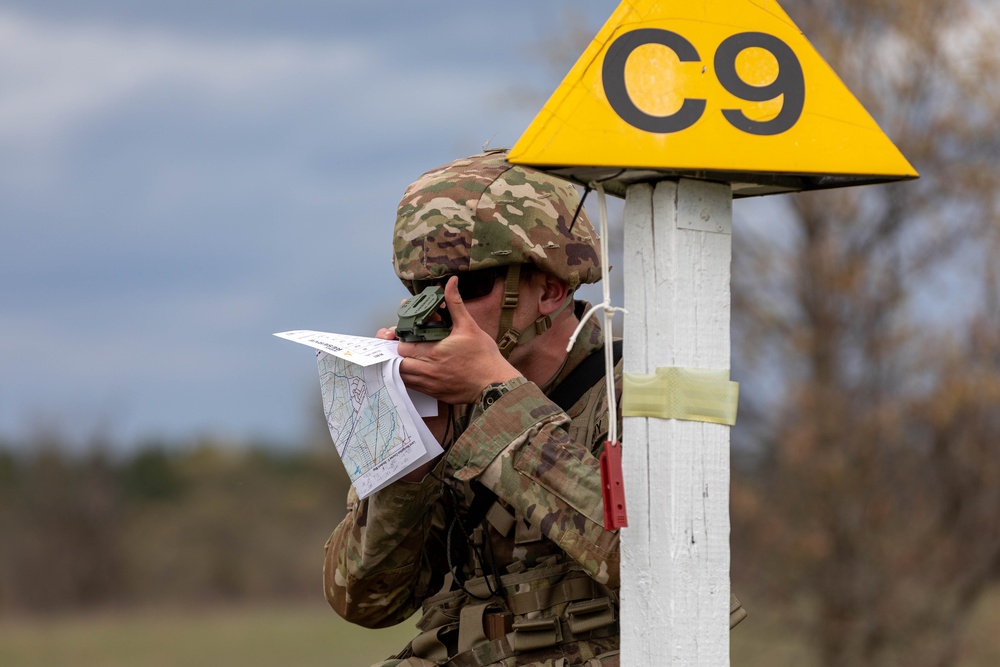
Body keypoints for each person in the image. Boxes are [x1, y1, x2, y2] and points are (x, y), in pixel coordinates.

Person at [324, 148, 623, 667]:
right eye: (422, 287)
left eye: (471, 285)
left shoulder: (633, 394)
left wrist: (499, 401)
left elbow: (646, 558)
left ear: (550, 290)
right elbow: (366, 600)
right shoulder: (446, 405)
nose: (437, 307)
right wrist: (411, 459)